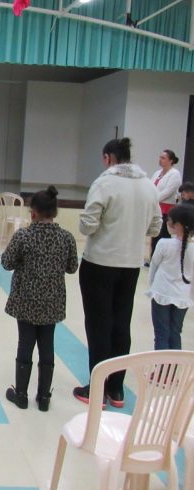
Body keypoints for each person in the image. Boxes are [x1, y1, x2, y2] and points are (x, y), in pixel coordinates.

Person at [74, 138, 162, 407]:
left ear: (108, 158)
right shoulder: (148, 185)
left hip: (100, 263)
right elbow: (156, 227)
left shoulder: (105, 183)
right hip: (131, 265)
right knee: (121, 324)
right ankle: (116, 389)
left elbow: (88, 226)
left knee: (98, 324)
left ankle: (97, 388)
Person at [1, 186, 78, 411]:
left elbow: (6, 262)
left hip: (26, 300)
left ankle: (21, 395)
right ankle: (44, 397)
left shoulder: (23, 236)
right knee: (47, 344)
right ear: (54, 212)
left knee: (25, 344)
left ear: (33, 213)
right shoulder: (66, 237)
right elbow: (72, 267)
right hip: (52, 301)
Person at [147, 204, 194, 350]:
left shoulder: (164, 243)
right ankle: (174, 364)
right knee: (175, 333)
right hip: (183, 297)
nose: (167, 223)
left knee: (161, 334)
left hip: (162, 292)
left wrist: (152, 287)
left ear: (177, 225)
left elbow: (154, 267)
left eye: (169, 220)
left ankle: (161, 365)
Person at [149, 149, 181, 259]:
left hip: (166, 209)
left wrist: (153, 199)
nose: (160, 160)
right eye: (160, 157)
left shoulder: (175, 174)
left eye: (163, 158)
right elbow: (150, 187)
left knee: (163, 235)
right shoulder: (157, 173)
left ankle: (163, 258)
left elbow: (168, 191)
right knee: (154, 234)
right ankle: (153, 257)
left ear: (171, 160)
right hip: (155, 207)